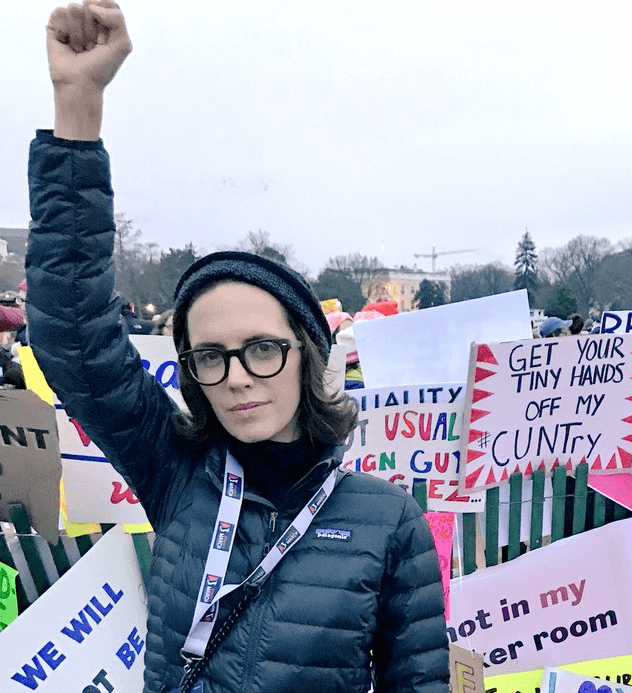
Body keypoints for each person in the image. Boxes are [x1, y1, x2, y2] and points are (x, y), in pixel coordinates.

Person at [27, 3, 448, 692]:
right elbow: (73, 336)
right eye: (211, 356)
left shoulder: (388, 519)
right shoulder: (177, 471)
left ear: (306, 354)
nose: (238, 377)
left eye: (262, 348)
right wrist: (78, 105)